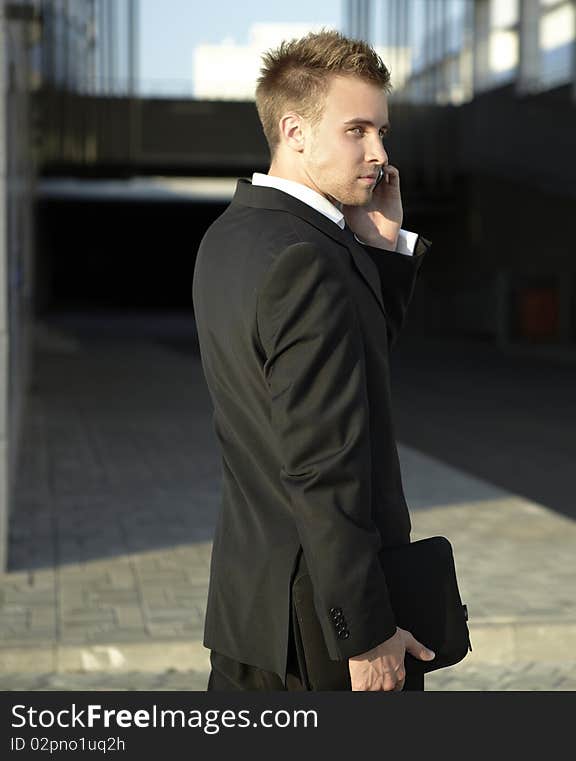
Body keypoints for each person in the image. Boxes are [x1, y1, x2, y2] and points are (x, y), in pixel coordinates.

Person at [192, 29, 435, 691]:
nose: (380, 154)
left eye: (382, 131)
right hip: (320, 634)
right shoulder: (309, 258)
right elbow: (324, 462)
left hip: (250, 615)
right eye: (357, 130)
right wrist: (366, 631)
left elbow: (338, 377)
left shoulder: (231, 236)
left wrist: (379, 254)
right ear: (294, 130)